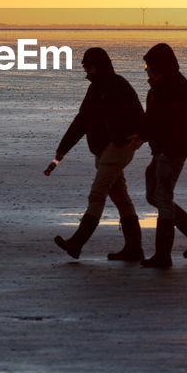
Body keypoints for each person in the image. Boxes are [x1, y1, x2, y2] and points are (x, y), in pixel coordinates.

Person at [50, 47, 146, 261]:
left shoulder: (119, 86)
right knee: (120, 197)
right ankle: (134, 248)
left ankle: (77, 242)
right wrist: (62, 149)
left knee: (97, 194)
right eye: (85, 67)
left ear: (98, 66)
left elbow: (140, 115)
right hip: (103, 151)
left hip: (118, 148)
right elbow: (81, 121)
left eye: (88, 66)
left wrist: (140, 136)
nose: (86, 71)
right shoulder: (95, 89)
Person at [139, 43, 187, 269]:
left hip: (171, 151)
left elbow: (168, 123)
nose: (146, 70)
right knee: (155, 195)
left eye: (149, 66)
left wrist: (161, 148)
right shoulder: (162, 87)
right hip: (164, 150)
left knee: (162, 197)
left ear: (159, 67)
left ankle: (163, 255)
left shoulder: (174, 87)